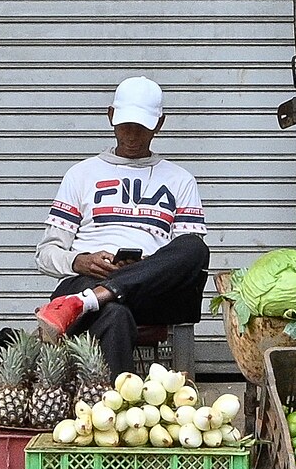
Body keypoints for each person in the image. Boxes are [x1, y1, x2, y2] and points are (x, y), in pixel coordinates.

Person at [33, 77, 210, 374]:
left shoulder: (180, 180)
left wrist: (147, 266)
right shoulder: (81, 174)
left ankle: (94, 299)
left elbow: (185, 261)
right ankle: (95, 299)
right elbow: (45, 254)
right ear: (111, 116)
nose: (132, 135)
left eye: (142, 127)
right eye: (126, 125)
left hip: (150, 292)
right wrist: (80, 261)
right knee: (115, 315)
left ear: (159, 124)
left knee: (195, 247)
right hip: (86, 281)